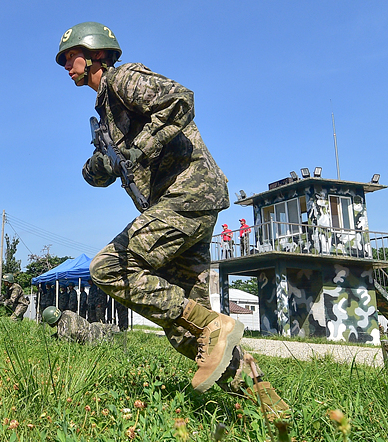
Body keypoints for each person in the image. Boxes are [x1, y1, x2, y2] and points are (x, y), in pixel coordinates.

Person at [56, 22, 288, 411]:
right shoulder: (107, 111)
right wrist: (100, 164)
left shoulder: (123, 79)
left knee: (110, 267)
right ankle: (267, 404)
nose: (65, 65)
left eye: (70, 56)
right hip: (184, 205)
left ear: (96, 53)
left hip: (189, 193)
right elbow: (103, 172)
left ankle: (214, 325)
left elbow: (180, 100)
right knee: (185, 334)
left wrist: (139, 149)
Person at [42, 306, 120, 345]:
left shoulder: (62, 333)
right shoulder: (67, 312)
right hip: (94, 327)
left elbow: (66, 345)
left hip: (93, 339)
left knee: (111, 340)